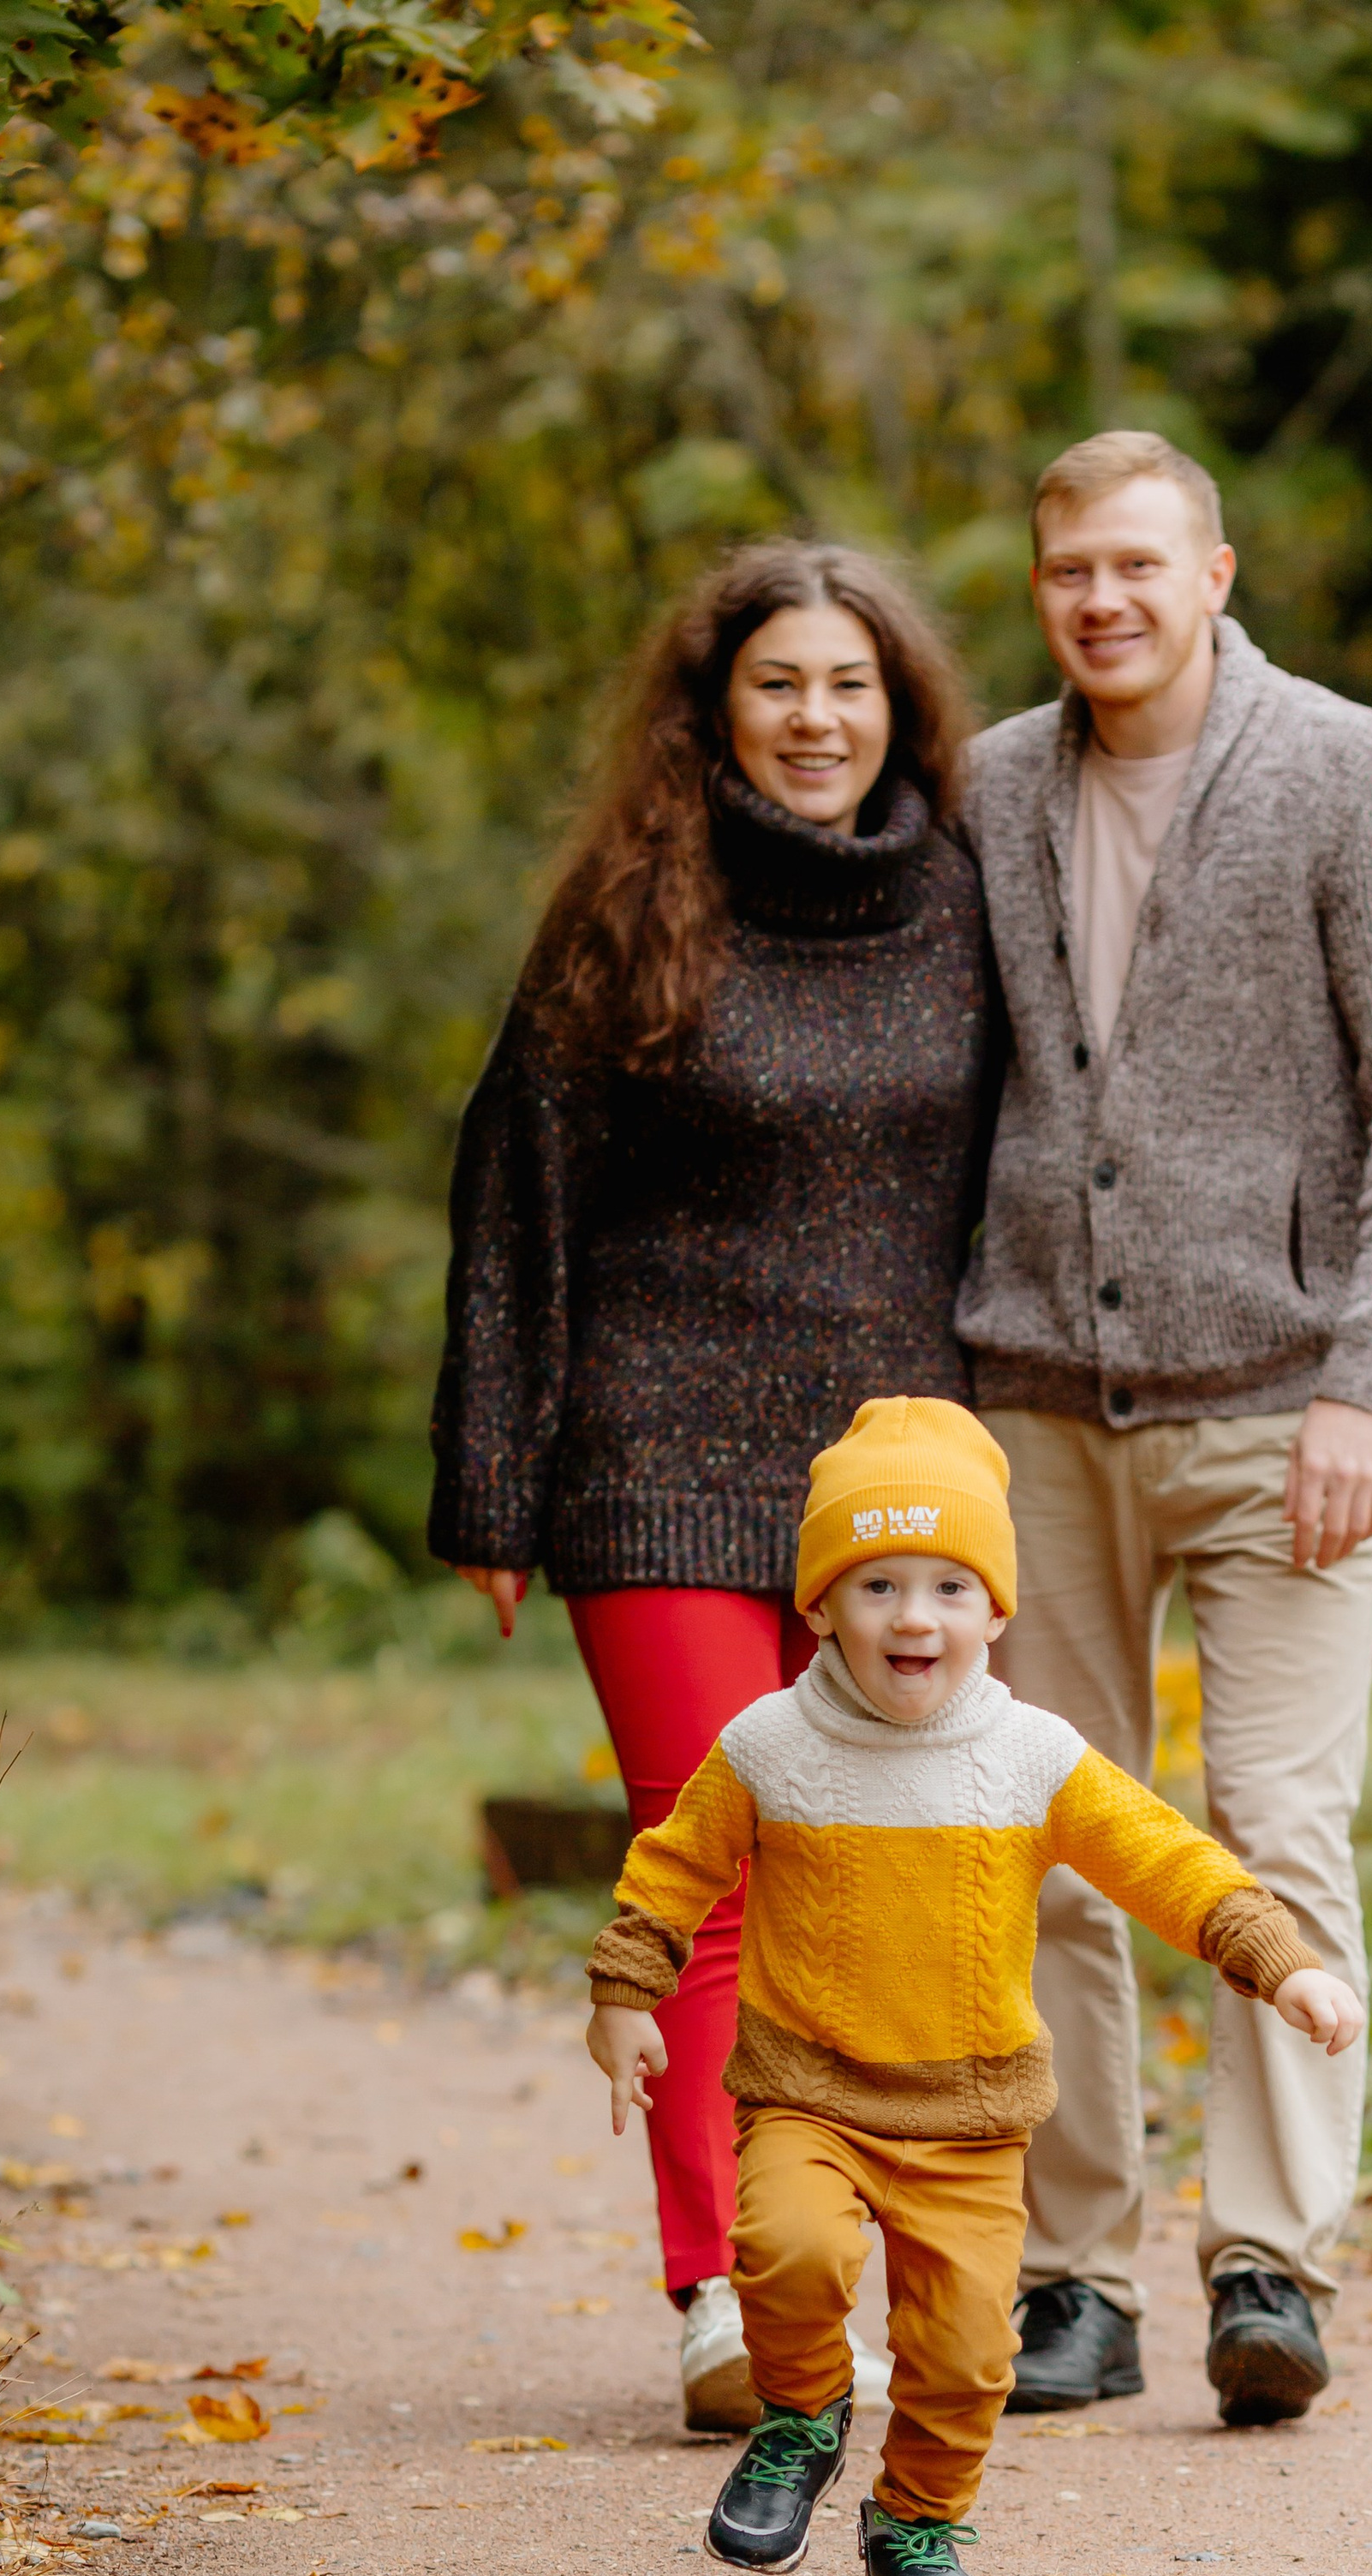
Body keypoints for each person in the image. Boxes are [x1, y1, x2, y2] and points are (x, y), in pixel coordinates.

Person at [956, 430, 1372, 2427]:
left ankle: (1270, 2260)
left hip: (1284, 1405)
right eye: (1062, 573)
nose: (1096, 601)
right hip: (1030, 1401)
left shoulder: (1351, 772)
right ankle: (1070, 2279)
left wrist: (1369, 1374)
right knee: (1054, 1848)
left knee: (1273, 1826)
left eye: (1131, 566)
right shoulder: (997, 784)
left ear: (1212, 573)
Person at [428, 546, 998, 2436]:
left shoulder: (974, 901)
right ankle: (722, 2295)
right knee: (710, 1867)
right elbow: (515, 1188)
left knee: (866, 1871)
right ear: (716, 708)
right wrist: (494, 1485)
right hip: (652, 1448)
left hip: (888, 1483)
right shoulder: (626, 910)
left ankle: (852, 2249)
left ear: (898, 704)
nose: (814, 719)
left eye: (846, 684)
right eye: (776, 686)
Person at [580, 1399, 1363, 2576]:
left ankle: (915, 2526)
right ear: (821, 1604)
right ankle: (802, 2414)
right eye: (877, 1582)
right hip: (809, 2092)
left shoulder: (1031, 1755)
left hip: (970, 2115)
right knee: (786, 2250)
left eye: (950, 1586)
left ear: (996, 1611)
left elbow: (1165, 1859)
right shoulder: (770, 1745)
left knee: (964, 2358)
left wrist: (1280, 1959)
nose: (913, 1616)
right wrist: (626, 1992)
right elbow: (673, 1869)